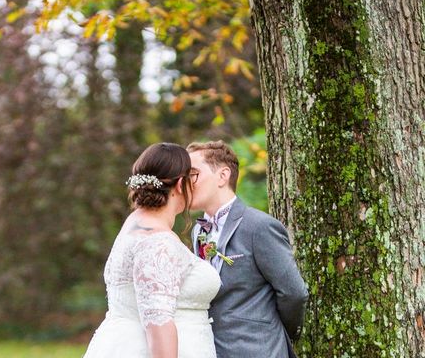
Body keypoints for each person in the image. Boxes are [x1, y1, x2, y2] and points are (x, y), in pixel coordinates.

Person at [84, 142, 221, 358]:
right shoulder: (156, 240)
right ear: (180, 184)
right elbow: (158, 322)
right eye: (192, 177)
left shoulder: (136, 222)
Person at [188, 140, 309, 358]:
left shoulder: (259, 227)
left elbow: (293, 292)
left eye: (194, 174)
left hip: (259, 349)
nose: (187, 183)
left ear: (223, 176)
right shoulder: (198, 231)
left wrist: (277, 332)